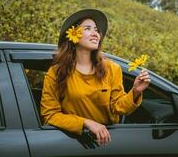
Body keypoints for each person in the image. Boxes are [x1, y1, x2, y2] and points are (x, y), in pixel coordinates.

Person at [41, 9, 150, 145]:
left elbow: (118, 107)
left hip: (108, 140)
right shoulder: (56, 73)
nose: (95, 34)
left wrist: (135, 92)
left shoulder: (112, 69)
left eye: (97, 30)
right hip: (72, 142)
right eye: (88, 29)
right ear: (73, 35)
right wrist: (86, 123)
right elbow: (50, 115)